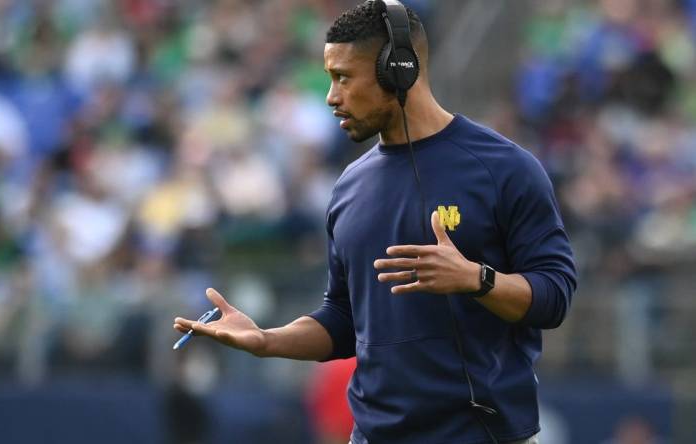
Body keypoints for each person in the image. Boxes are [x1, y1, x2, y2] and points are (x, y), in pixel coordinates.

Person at [174, 1, 577, 443]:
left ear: (398, 71)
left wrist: (476, 279)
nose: (331, 96)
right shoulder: (349, 186)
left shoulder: (505, 168)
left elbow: (554, 297)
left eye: (343, 77)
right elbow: (342, 319)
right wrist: (267, 340)